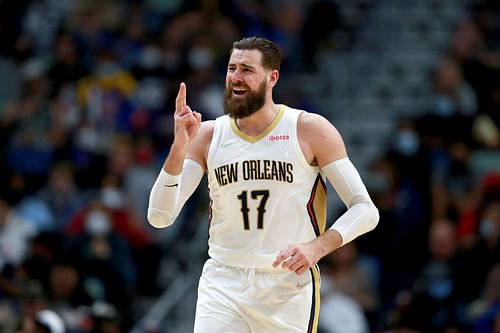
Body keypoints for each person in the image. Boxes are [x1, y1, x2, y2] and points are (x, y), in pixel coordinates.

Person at [148, 36, 379, 333]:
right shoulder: (207, 135)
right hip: (223, 281)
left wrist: (317, 247)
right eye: (231, 68)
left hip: (286, 283)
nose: (235, 77)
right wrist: (179, 148)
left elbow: (366, 209)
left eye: (246, 69)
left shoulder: (309, 129)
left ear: (272, 77)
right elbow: (159, 216)